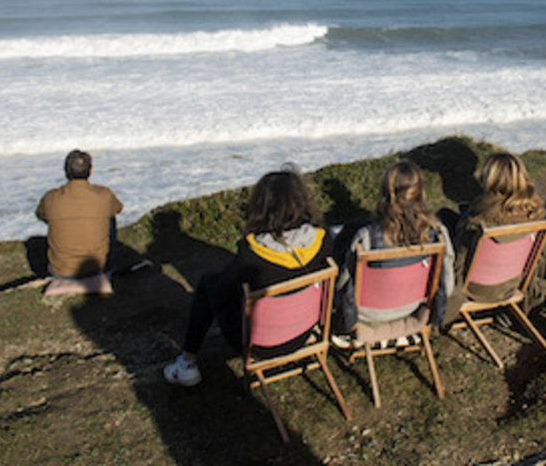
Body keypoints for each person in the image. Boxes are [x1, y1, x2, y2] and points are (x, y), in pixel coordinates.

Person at [163, 167, 334, 387]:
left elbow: (225, 292)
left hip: (261, 344)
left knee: (209, 284)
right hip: (304, 332)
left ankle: (187, 364)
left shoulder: (252, 254)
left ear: (262, 206)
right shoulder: (322, 240)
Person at [335, 161, 455, 341]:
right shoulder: (437, 233)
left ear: (385, 193)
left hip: (367, 314)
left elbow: (342, 285)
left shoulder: (366, 236)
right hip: (413, 306)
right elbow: (448, 283)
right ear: (421, 193)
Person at [442, 152, 546, 325]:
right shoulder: (537, 214)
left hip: (477, 288)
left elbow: (460, 259)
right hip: (513, 281)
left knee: (445, 218)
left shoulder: (478, 222)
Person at [36, 149, 123, 279]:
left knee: (54, 216)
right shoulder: (104, 194)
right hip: (98, 268)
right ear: (90, 171)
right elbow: (118, 208)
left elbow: (40, 215)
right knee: (110, 217)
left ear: (66, 171)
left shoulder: (50, 197)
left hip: (60, 270)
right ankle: (107, 259)